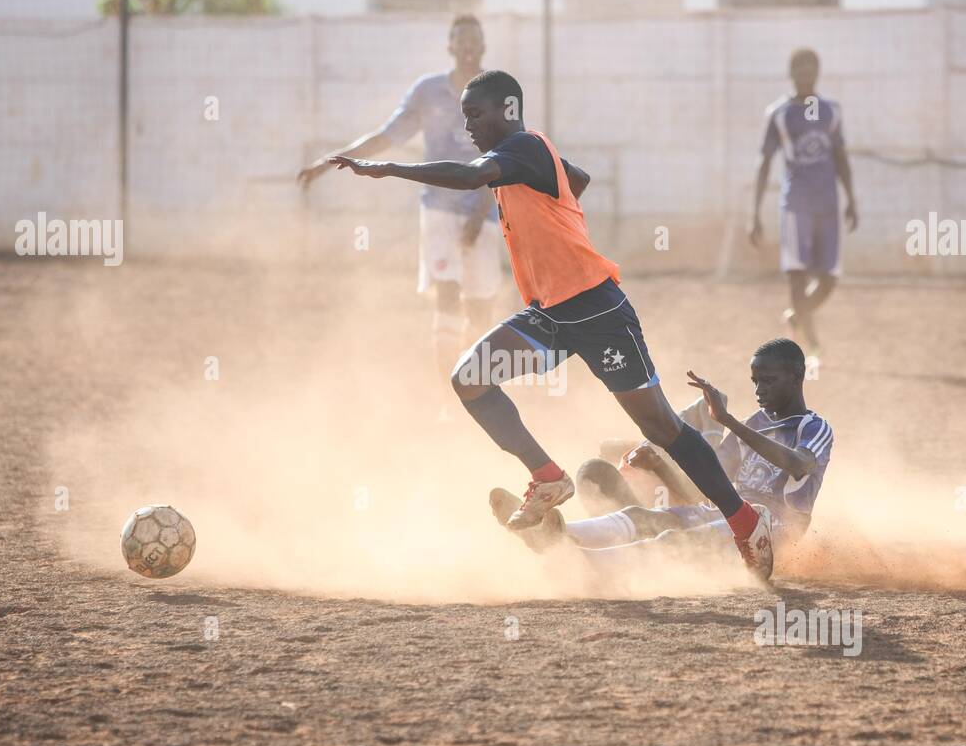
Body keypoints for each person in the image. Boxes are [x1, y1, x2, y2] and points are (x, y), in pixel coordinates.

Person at [326, 70, 773, 575]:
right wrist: (557, 201)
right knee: (470, 378)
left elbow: (472, 176)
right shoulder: (527, 159)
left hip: (599, 310)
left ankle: (743, 522)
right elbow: (575, 180)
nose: (468, 125)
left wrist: (389, 168)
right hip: (550, 314)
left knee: (662, 427)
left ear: (508, 110)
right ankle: (547, 476)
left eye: (476, 114)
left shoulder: (523, 148)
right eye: (465, 115)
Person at [492, 339, 832, 580]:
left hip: (774, 530)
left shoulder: (812, 426)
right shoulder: (754, 424)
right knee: (642, 516)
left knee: (677, 540)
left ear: (797, 377)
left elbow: (798, 465)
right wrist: (660, 464)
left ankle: (587, 564)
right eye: (756, 381)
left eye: (769, 381)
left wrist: (727, 422)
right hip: (731, 513)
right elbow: (706, 484)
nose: (759, 390)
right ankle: (552, 537)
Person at [297, 15, 500, 382]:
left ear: (484, 47)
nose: (468, 46)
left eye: (475, 40)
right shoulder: (428, 91)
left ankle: (479, 392)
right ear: (450, 47)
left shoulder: (497, 92)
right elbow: (387, 135)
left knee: (481, 310)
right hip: (438, 209)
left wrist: (481, 211)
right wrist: (329, 162)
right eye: (461, 40)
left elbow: (505, 156)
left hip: (483, 213)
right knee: (448, 295)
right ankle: (448, 396)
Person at [749, 48, 858, 363]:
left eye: (811, 67)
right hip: (796, 206)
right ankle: (811, 346)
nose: (805, 73)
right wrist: (754, 213)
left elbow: (840, 157)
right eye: (799, 68)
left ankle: (797, 317)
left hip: (828, 204)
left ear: (818, 71)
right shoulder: (779, 114)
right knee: (797, 276)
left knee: (829, 280)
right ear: (791, 72)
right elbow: (764, 163)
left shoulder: (832, 111)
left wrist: (851, 199)